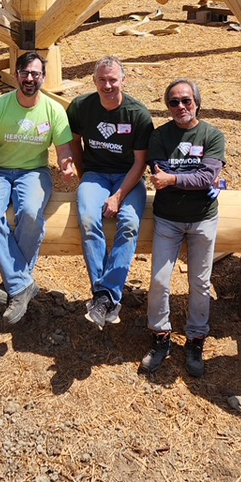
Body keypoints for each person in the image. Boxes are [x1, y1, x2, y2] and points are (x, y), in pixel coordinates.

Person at [0, 52, 75, 325]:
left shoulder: (54, 110)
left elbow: (63, 150)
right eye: (25, 73)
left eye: (35, 74)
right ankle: (21, 284)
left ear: (43, 77)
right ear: (16, 75)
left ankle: (12, 285)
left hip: (35, 172)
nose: (30, 78)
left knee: (29, 211)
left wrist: (66, 163)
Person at [141, 79, 226, 378]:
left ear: (197, 102)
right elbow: (159, 175)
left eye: (186, 100)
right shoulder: (160, 135)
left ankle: (195, 339)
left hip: (203, 219)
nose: (180, 107)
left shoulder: (213, 135)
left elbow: (206, 177)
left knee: (201, 283)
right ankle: (160, 337)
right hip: (167, 219)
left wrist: (177, 180)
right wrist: (195, 177)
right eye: (173, 102)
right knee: (160, 281)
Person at [68, 56, 153, 329]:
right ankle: (105, 296)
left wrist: (117, 197)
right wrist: (85, 181)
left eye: (113, 80)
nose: (108, 85)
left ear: (123, 81)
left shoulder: (137, 114)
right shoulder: (81, 107)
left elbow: (140, 163)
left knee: (129, 224)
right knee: (88, 218)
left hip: (128, 178)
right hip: (95, 174)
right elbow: (74, 145)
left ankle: (103, 296)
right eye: (102, 80)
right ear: (94, 81)